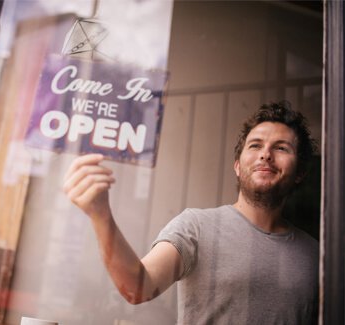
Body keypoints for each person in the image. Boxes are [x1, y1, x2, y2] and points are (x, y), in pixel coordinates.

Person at [63, 101, 319, 324]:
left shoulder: (317, 255)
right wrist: (101, 215)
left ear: (300, 173)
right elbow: (137, 288)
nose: (265, 154)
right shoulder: (196, 226)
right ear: (238, 167)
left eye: (282, 148)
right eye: (255, 145)